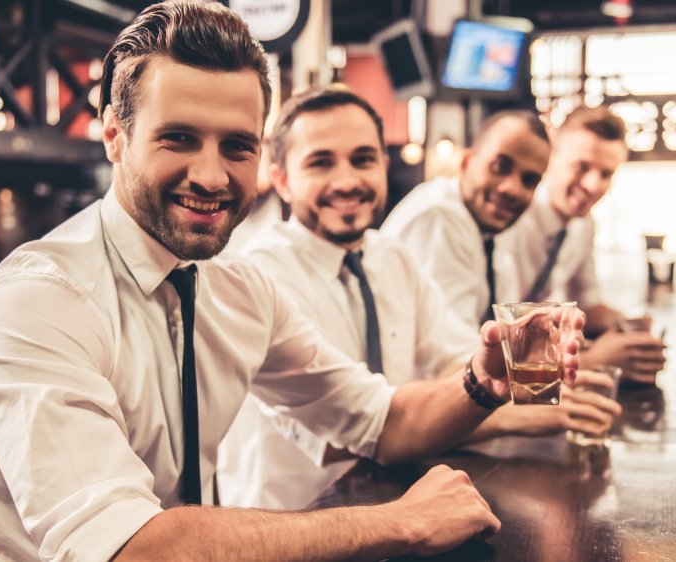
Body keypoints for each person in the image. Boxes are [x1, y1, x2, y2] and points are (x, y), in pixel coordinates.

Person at [0, 3, 584, 561]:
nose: (211, 175)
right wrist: (400, 522)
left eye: (237, 146)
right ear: (115, 138)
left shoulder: (237, 287)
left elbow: (381, 422)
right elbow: (132, 548)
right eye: (179, 138)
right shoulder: (39, 300)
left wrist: (482, 381)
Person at [216, 87, 620, 510]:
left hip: (389, 502)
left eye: (363, 159)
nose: (348, 181)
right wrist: (506, 410)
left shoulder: (387, 257)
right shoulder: (263, 273)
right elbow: (350, 435)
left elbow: (454, 356)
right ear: (281, 178)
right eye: (321, 162)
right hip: (297, 524)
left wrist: (512, 375)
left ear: (383, 166)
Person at [494, 106, 666, 383]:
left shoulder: (583, 224)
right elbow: (505, 338)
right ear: (551, 156)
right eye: (582, 167)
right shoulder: (509, 218)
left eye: (606, 174)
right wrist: (597, 358)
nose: (592, 185)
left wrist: (628, 328)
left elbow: (587, 303)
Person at [381, 110, 551, 335]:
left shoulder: (487, 232)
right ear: (466, 161)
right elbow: (455, 347)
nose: (512, 189)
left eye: (529, 180)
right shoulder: (439, 216)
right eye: (500, 166)